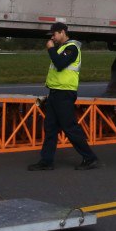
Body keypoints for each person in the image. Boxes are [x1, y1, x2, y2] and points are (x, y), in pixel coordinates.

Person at [28, 22, 100, 171]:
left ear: (62, 32)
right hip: (55, 92)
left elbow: (60, 63)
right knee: (50, 127)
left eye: (54, 34)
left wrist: (51, 49)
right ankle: (46, 161)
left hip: (65, 93)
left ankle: (90, 158)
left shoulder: (72, 48)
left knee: (69, 127)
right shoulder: (62, 48)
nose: (52, 38)